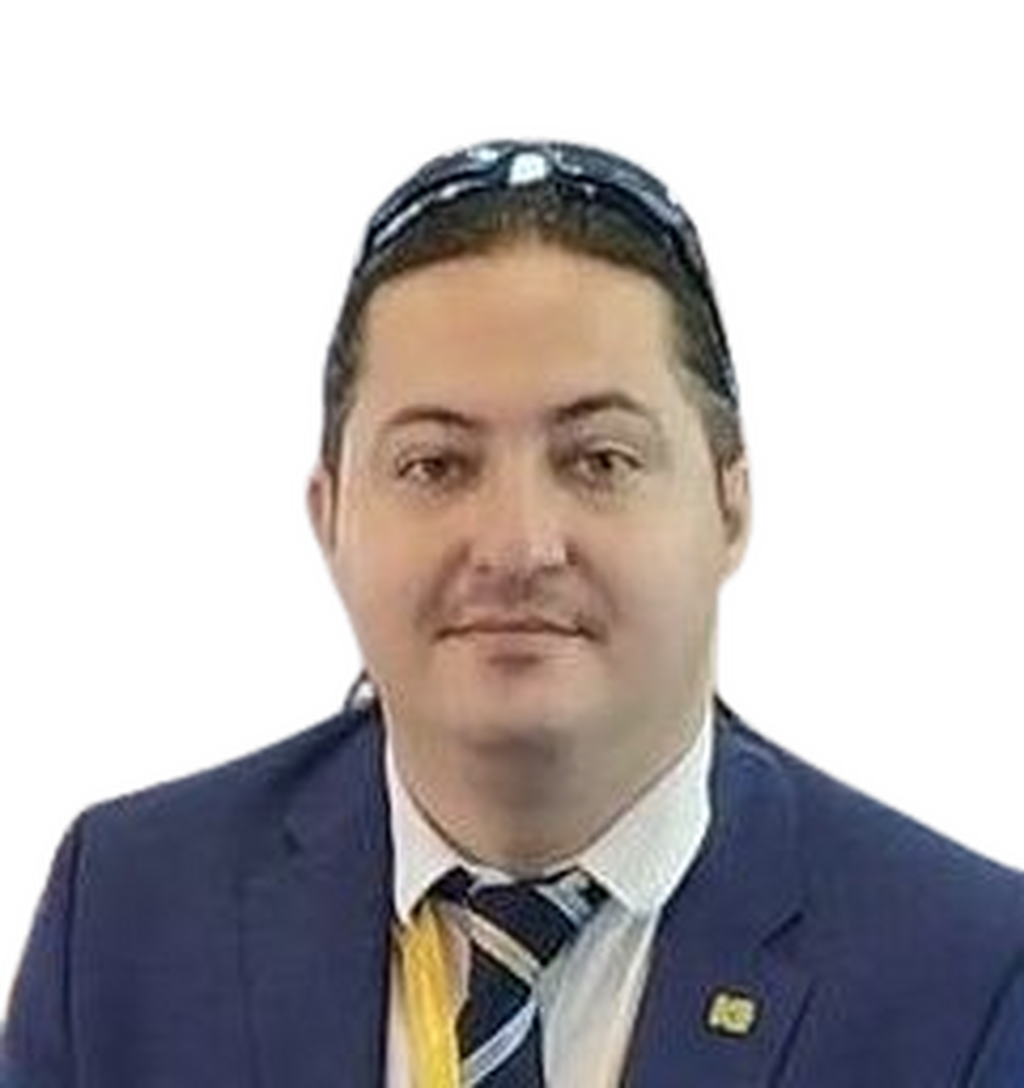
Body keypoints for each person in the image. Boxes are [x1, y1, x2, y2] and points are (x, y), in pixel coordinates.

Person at [2, 129, 1021, 1087]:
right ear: (323, 521)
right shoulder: (128, 909)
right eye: (435, 464)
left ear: (737, 511)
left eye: (599, 459)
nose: (518, 546)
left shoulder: (970, 964)